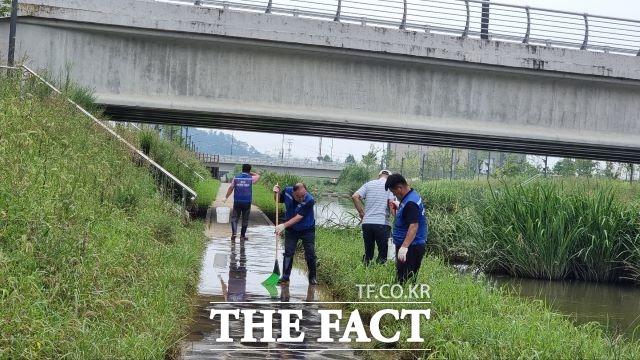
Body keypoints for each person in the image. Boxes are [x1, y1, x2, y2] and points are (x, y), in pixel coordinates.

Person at [384, 174, 427, 284]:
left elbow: (414, 226)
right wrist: (398, 207)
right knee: (402, 275)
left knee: (405, 279)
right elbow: (407, 217)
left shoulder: (410, 203)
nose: (394, 194)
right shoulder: (409, 197)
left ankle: (404, 299)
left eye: (394, 192)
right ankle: (402, 297)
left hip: (412, 247)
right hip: (409, 245)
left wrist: (404, 247)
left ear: (399, 188)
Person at [273, 182, 317, 285]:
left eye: (303, 196)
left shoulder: (310, 200)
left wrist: (283, 225)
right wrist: (275, 193)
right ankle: (285, 278)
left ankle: (312, 278)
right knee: (288, 253)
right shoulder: (287, 191)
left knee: (310, 254)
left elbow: (299, 217)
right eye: (298, 196)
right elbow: (278, 200)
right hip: (292, 230)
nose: (301, 198)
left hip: (307, 230)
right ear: (293, 192)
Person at [351, 169, 395, 265]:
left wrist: (361, 213)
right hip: (382, 224)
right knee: (383, 253)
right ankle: (378, 274)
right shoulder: (390, 187)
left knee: (368, 252)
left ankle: (365, 269)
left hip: (367, 223)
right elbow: (392, 205)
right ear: (390, 178)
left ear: (379, 176)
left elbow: (355, 196)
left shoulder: (368, 184)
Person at [224, 164, 260, 240]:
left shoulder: (236, 178)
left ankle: (234, 233)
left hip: (237, 201)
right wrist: (250, 173)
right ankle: (242, 236)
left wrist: (226, 197)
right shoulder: (251, 178)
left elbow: (231, 188)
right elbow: (258, 175)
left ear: (242, 169)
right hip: (247, 201)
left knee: (234, 218)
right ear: (249, 170)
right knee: (245, 219)